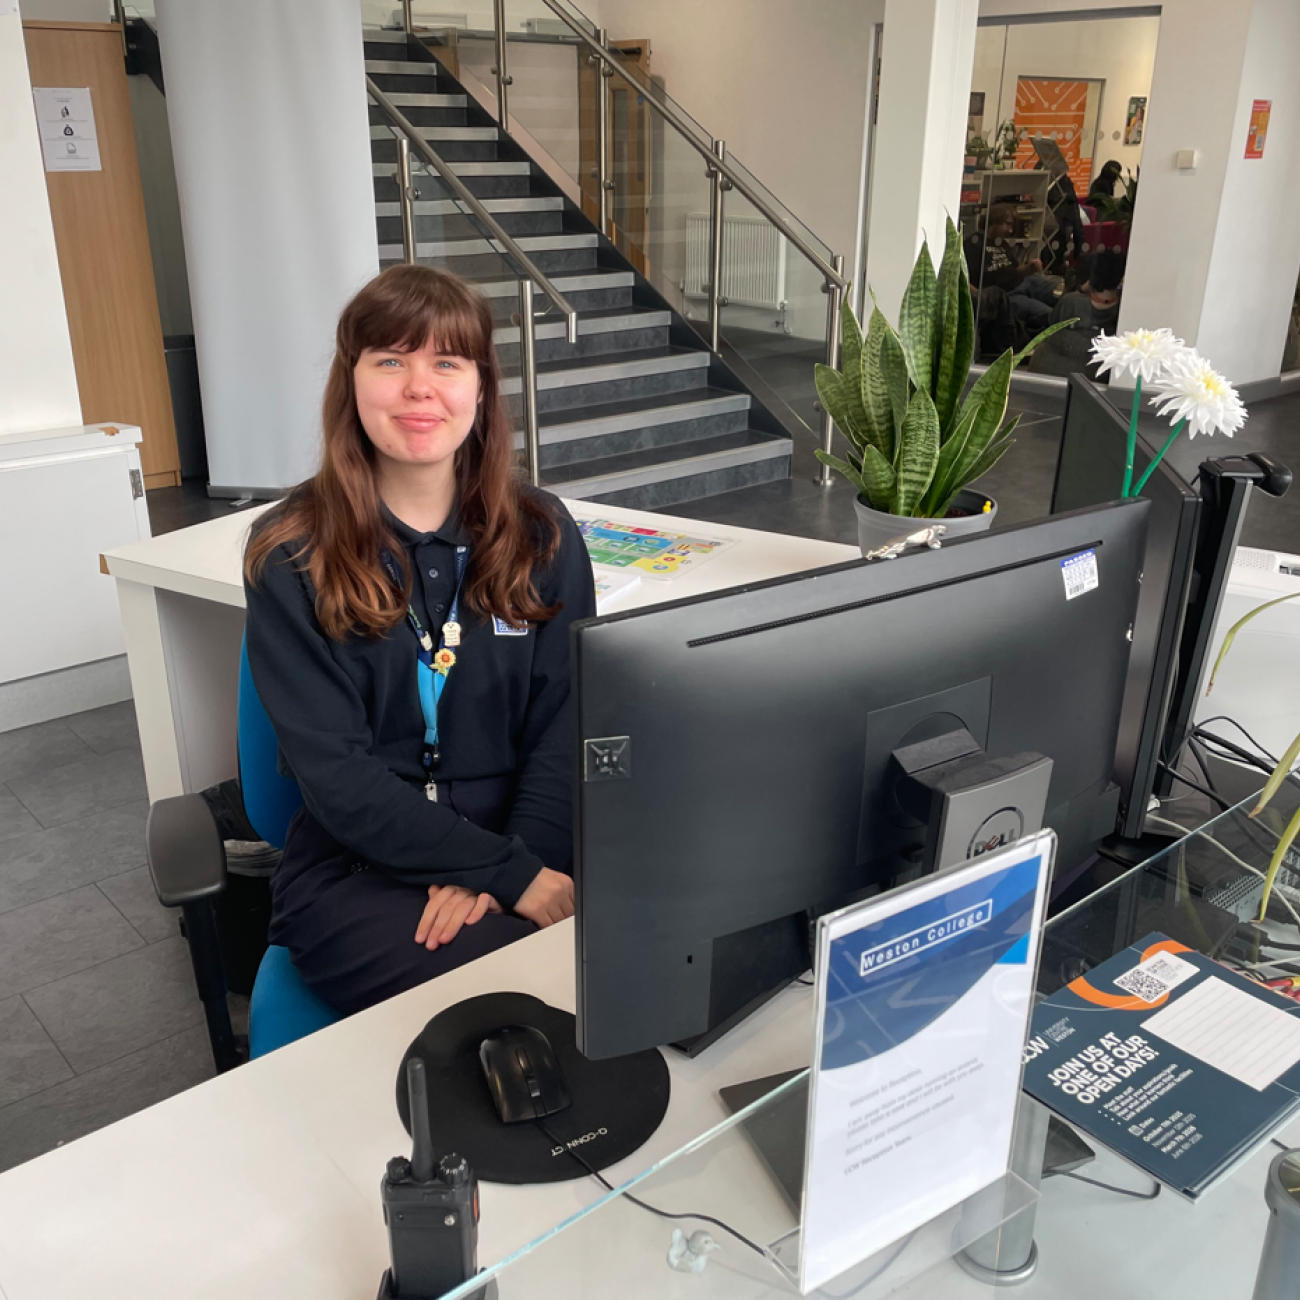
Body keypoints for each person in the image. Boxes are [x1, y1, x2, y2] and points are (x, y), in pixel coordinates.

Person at [242, 264, 596, 1017]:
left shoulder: (542, 532)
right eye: (391, 360)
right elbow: (337, 779)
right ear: (353, 382)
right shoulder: (292, 555)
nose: (419, 388)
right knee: (544, 991)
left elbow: (566, 725)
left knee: (648, 946)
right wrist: (506, 877)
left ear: (480, 387)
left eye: (446, 362)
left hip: (524, 833)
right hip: (361, 864)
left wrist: (514, 865)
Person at [964, 202, 1062, 331]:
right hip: (1007, 294)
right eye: (1007, 224)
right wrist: (982, 297)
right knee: (1049, 313)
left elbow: (1015, 269)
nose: (1010, 230)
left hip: (1026, 282)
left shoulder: (1002, 243)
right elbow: (963, 277)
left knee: (1060, 290)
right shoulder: (974, 244)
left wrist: (1030, 268)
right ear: (995, 222)